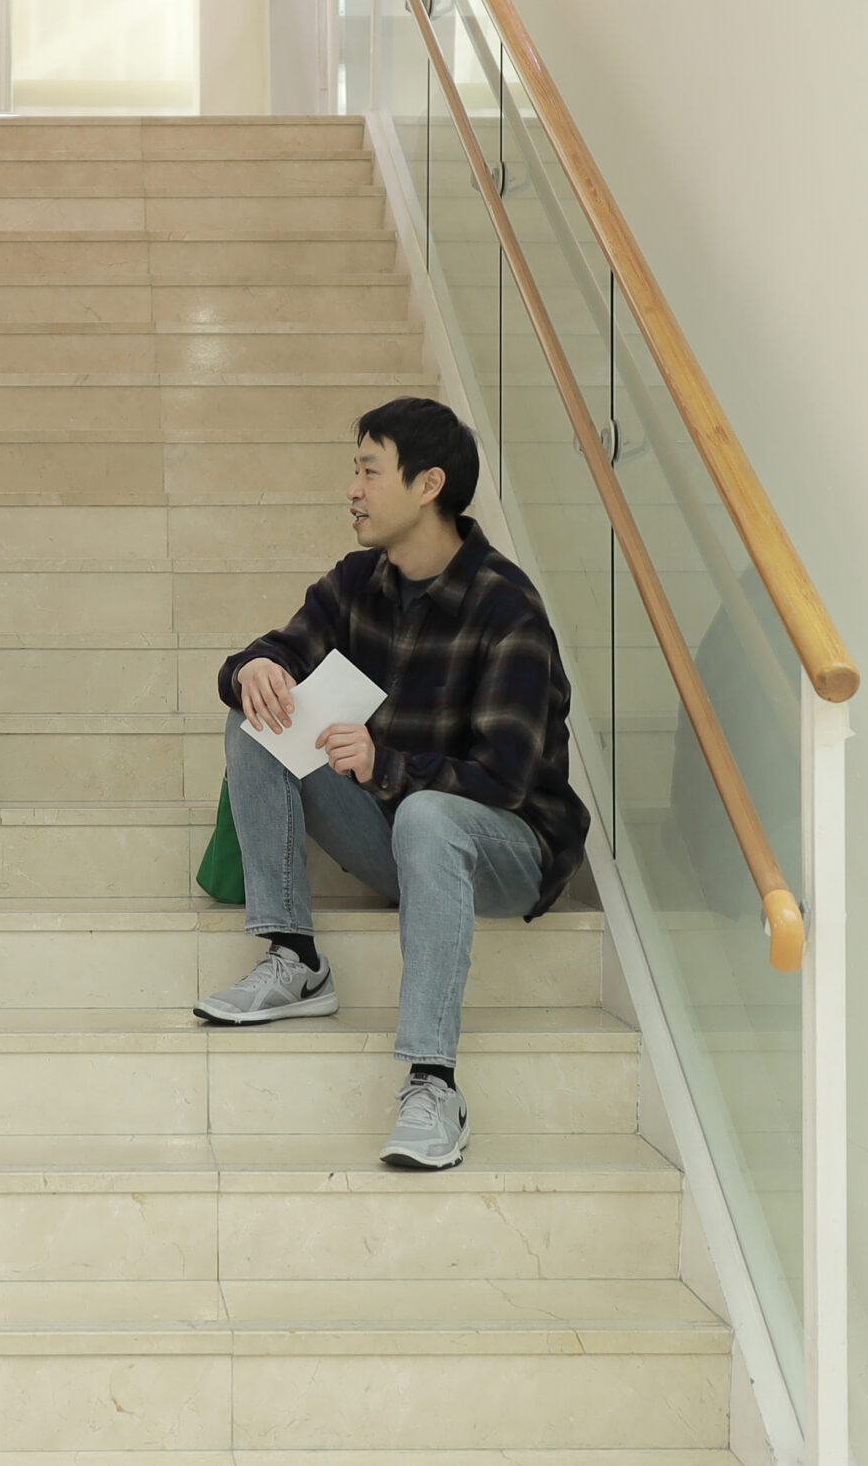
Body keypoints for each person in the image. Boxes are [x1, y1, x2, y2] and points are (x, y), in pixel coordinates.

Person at [195, 397, 589, 1170]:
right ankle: (295, 957)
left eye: (370, 469)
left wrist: (388, 767)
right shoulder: (357, 582)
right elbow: (277, 648)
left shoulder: (508, 609)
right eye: (355, 469)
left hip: (506, 850)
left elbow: (506, 780)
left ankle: (435, 1083)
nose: (353, 487)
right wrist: (256, 666)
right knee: (255, 719)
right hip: (401, 833)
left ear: (428, 484)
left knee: (431, 817)